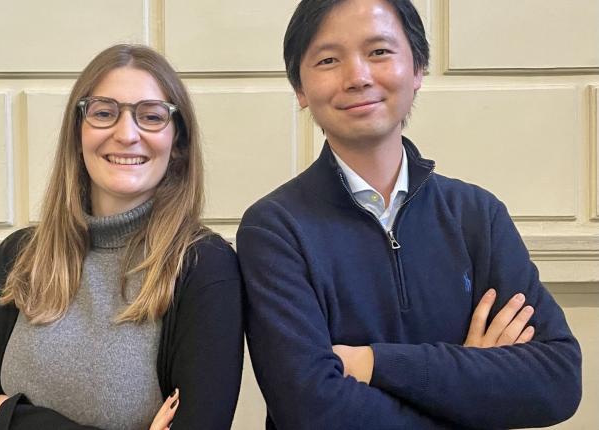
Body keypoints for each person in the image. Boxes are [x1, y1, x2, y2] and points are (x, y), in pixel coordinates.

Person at [236, 0, 582, 428]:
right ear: (301, 91)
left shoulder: (477, 215)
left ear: (418, 69)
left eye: (379, 52)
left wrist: (372, 362)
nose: (357, 77)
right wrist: (469, 381)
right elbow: (312, 410)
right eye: (328, 60)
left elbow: (557, 379)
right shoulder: (274, 228)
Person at [0, 44, 243, 430]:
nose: (126, 134)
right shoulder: (19, 256)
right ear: (77, 133)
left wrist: (12, 418)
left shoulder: (204, 267)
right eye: (103, 113)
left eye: (150, 116)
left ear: (177, 143)